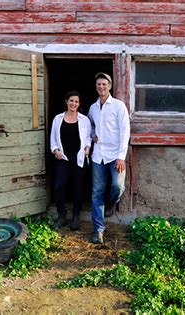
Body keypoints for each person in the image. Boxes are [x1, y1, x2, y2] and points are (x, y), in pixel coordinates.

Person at [88, 72, 130, 244]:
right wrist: (92, 135)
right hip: (98, 155)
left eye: (104, 84)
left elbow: (125, 131)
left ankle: (111, 203)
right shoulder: (93, 108)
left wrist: (121, 156)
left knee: (117, 186)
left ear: (110, 86)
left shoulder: (119, 106)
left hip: (115, 155)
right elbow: (88, 124)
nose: (101, 87)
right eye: (98, 84)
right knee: (96, 191)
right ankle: (98, 229)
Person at [50, 91, 92, 230]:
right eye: (71, 101)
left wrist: (87, 147)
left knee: (78, 188)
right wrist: (55, 150)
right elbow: (53, 138)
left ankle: (75, 217)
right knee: (58, 186)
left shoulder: (84, 119)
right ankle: (62, 216)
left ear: (79, 104)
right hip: (63, 158)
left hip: (79, 157)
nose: (74, 103)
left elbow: (88, 136)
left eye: (76, 101)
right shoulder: (58, 118)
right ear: (66, 101)